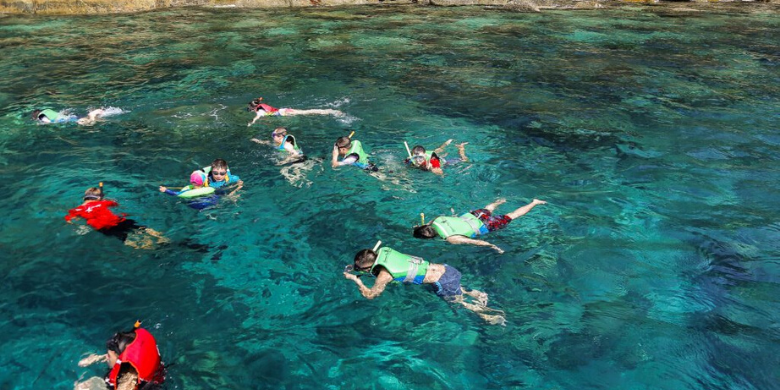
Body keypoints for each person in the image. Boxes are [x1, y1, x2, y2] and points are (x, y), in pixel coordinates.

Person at [343, 245, 506, 325]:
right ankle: (477, 293)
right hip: (448, 270)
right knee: (456, 288)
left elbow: (371, 295)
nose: (357, 269)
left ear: (367, 266)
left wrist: (356, 279)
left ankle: (489, 316)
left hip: (443, 282)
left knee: (458, 303)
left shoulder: (384, 275)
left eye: (359, 268)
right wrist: (361, 269)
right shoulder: (385, 251)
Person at [412, 198, 547, 254]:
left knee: (513, 215)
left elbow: (474, 241)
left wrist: (492, 246)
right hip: (474, 215)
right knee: (488, 209)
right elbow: (427, 225)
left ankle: (534, 202)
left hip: (485, 225)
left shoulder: (451, 239)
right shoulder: (436, 219)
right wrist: (420, 227)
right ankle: (500, 201)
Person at [65, 186, 168, 249]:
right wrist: (104, 200)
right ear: (99, 198)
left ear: (85, 197)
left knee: (125, 239)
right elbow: (115, 204)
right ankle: (162, 239)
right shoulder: (104, 202)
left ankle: (150, 248)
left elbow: (69, 220)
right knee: (142, 228)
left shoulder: (76, 210)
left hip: (104, 227)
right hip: (118, 221)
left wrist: (80, 224)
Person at [76, 321, 165, 390]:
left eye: (108, 356)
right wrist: (97, 358)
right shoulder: (131, 359)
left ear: (120, 360)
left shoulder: (127, 383)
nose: (106, 357)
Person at [246, 97, 344, 127]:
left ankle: (330, 111)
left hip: (284, 113)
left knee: (307, 112)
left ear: (253, 108)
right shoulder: (261, 107)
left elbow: (257, 117)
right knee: (307, 112)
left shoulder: (259, 111)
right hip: (284, 110)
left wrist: (251, 123)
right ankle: (329, 111)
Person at [32, 108, 106, 125]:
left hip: (64, 120)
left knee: (89, 123)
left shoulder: (41, 116)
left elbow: (50, 122)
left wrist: (40, 123)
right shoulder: (47, 110)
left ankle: (92, 115)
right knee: (85, 119)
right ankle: (94, 115)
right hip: (69, 117)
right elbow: (61, 112)